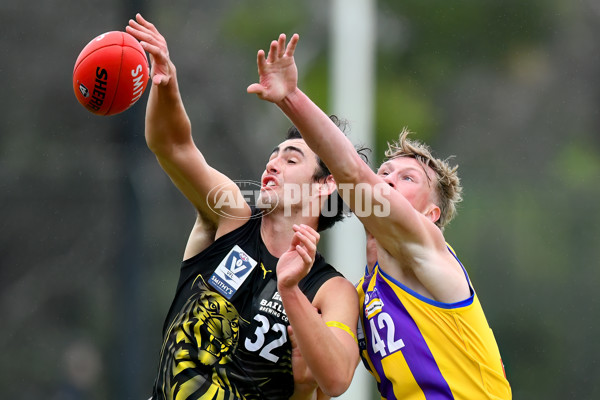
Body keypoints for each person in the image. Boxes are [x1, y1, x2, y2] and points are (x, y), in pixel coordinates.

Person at [248, 33, 512, 399]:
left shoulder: (427, 248)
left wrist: (291, 97)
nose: (387, 179)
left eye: (408, 178)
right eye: (385, 171)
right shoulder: (361, 293)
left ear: (430, 214)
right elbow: (328, 384)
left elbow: (354, 175)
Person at [126, 15, 359, 400]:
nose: (272, 164)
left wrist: (290, 291)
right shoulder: (231, 217)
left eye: (291, 159)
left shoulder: (331, 290)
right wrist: (167, 86)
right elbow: (173, 146)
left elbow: (335, 380)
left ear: (325, 184)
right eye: (273, 155)